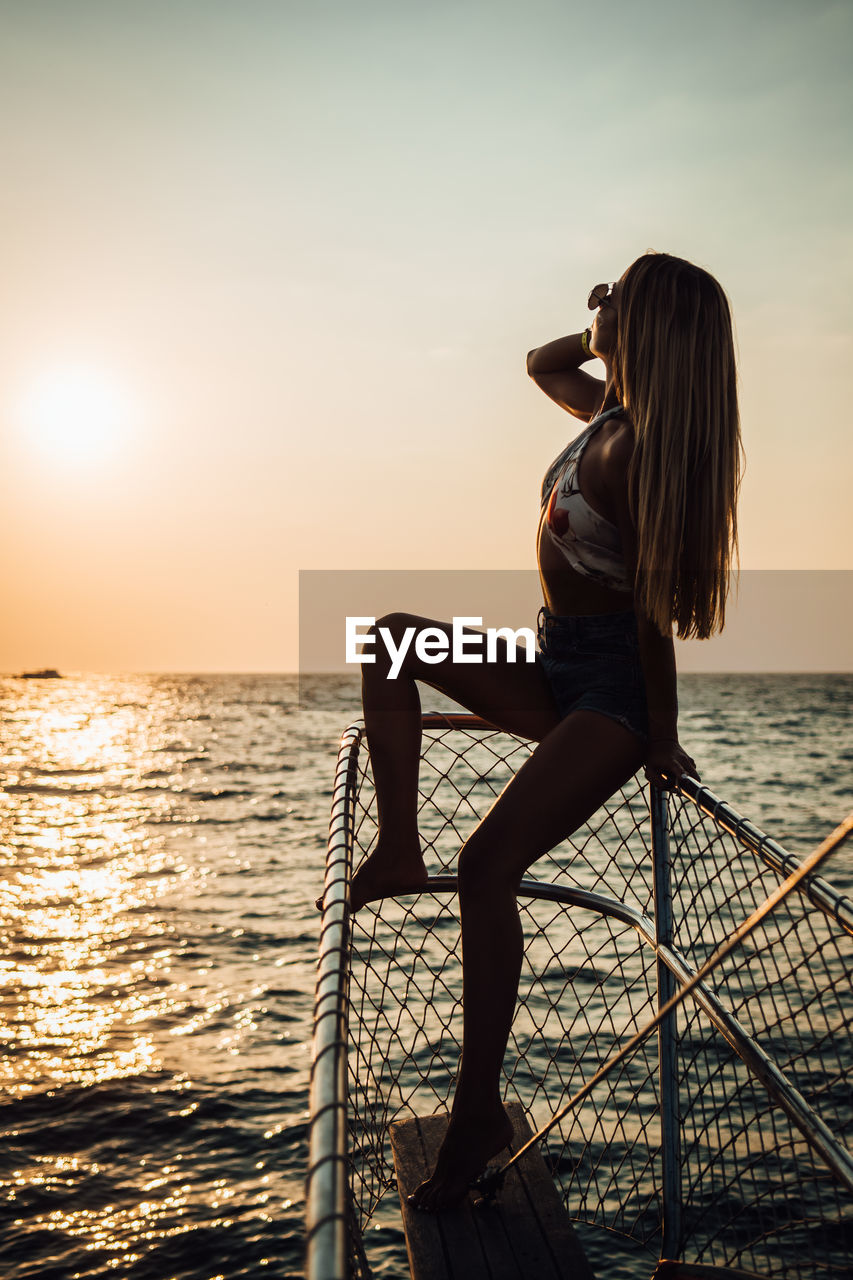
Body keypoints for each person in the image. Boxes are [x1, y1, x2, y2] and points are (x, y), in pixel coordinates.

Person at [348, 251, 742, 1211]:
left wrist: (660, 733)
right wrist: (605, 328)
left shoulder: (638, 445)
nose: (597, 299)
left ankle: (475, 1108)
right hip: (556, 657)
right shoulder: (607, 411)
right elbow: (538, 360)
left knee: (488, 865)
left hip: (610, 693)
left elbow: (650, 614)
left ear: (648, 327)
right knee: (390, 643)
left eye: (618, 294)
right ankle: (397, 846)